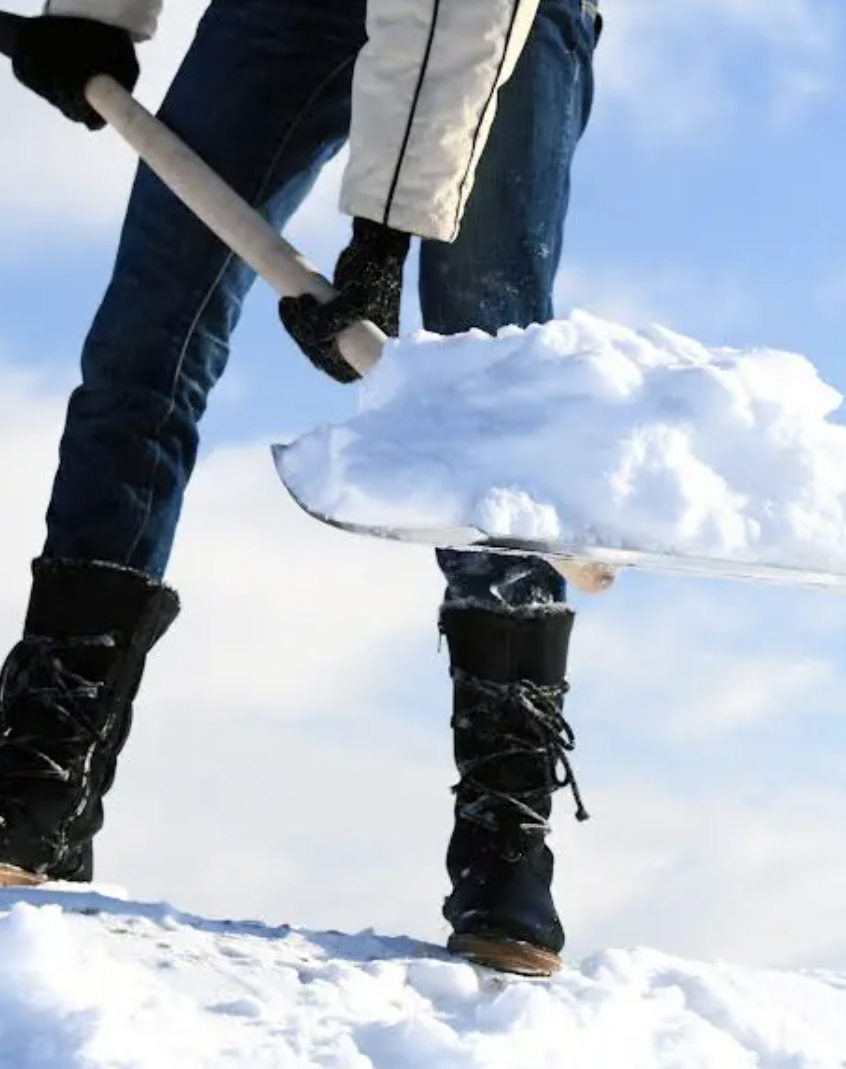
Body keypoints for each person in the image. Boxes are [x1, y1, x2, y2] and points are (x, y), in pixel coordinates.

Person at [0, 0, 601, 977]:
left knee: (485, 379)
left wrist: (381, 238)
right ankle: (40, 773)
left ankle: (505, 827)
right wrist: (93, 14)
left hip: (498, 27)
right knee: (149, 332)